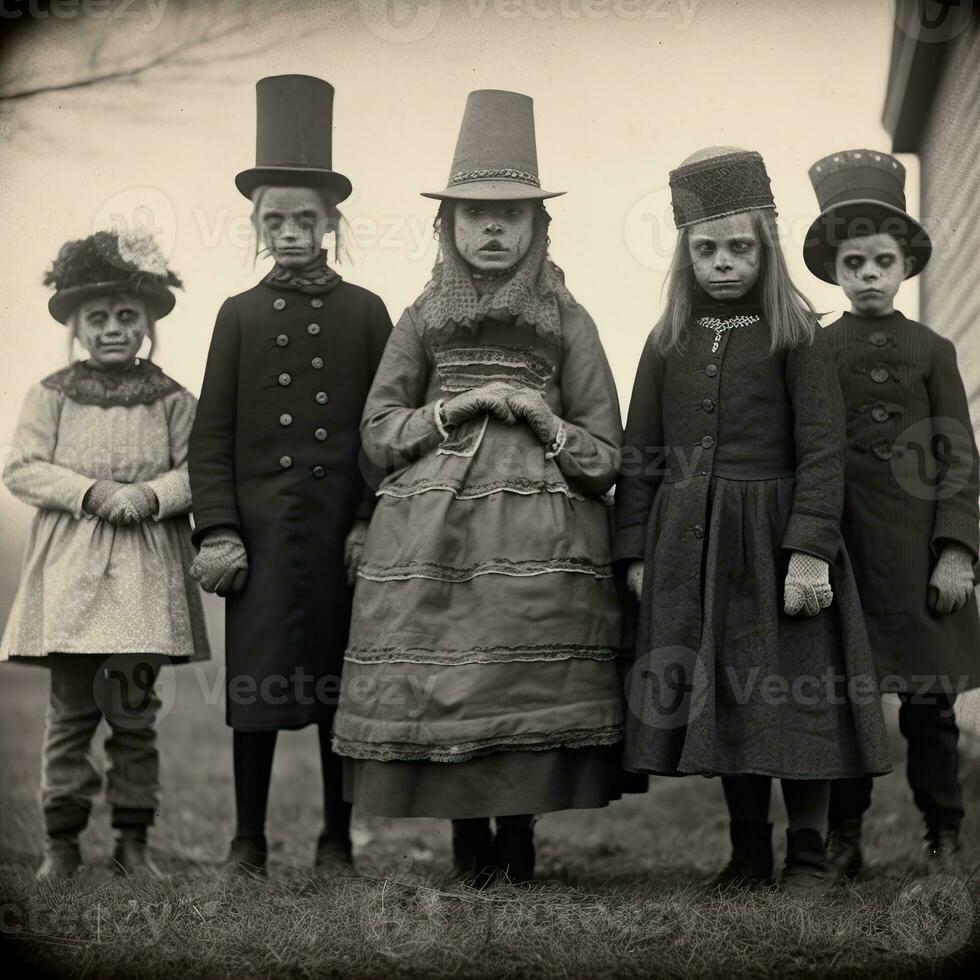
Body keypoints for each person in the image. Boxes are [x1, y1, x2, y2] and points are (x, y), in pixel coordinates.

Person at [331, 89, 631, 885]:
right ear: (448, 226)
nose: (492, 229)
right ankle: (470, 842)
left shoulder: (570, 320)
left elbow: (606, 452)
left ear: (537, 228)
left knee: (519, 672)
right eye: (473, 214)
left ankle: (518, 836)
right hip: (430, 545)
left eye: (511, 215)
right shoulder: (421, 319)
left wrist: (547, 423)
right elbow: (376, 432)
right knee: (451, 675)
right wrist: (450, 410)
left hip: (542, 547)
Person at [615, 147, 891, 892]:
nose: (724, 263)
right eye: (706, 249)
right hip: (694, 547)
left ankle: (806, 853)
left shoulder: (796, 333)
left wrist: (809, 550)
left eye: (739, 247)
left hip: (776, 542)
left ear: (765, 246)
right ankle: (747, 853)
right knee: (730, 698)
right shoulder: (665, 339)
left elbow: (825, 451)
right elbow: (640, 453)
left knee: (795, 696)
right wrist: (636, 551)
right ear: (685, 255)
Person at [188, 75, 392, 877]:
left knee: (339, 693)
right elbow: (210, 436)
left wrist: (371, 519)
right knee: (259, 694)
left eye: (305, 219)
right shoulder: (236, 313)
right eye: (275, 220)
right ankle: (248, 841)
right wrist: (220, 529)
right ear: (256, 226)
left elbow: (383, 431)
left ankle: (336, 841)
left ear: (331, 224)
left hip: (341, 538)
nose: (291, 232)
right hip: (263, 543)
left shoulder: (368, 310)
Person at [1, 229, 209, 879]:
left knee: (133, 717)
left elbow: (201, 470)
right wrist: (91, 492)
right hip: (71, 577)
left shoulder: (174, 399)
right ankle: (61, 844)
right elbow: (23, 468)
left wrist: (149, 496)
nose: (113, 329)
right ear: (78, 328)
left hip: (143, 582)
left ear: (147, 324)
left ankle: (133, 842)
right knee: (70, 715)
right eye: (98, 318)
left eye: (126, 317)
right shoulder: (51, 394)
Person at [804, 149, 980, 874]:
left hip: (919, 557)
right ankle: (844, 841)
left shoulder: (933, 349)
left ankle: (944, 834)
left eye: (882, 261)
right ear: (836, 270)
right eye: (854, 263)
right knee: (848, 709)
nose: (869, 275)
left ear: (905, 265)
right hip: (846, 552)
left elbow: (959, 457)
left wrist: (956, 550)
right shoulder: (817, 346)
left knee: (930, 712)